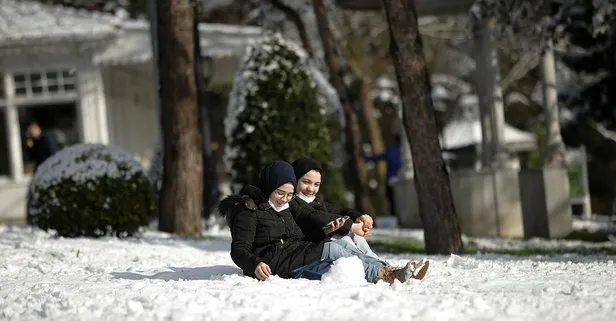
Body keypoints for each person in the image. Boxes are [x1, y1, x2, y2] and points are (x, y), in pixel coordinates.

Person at [219, 160, 429, 284]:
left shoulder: (285, 206)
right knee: (333, 250)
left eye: (289, 194)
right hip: (274, 264)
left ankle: (390, 271)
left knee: (338, 258)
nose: (284, 198)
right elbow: (239, 250)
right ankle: (387, 274)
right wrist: (255, 264)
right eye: (279, 193)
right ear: (268, 186)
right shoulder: (249, 209)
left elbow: (299, 234)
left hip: (295, 256)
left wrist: (327, 230)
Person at [290, 157, 379, 259]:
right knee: (345, 239)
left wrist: (359, 217)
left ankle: (376, 262)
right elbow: (317, 217)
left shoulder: (316, 201)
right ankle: (373, 267)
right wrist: (351, 227)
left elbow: (339, 211)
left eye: (316, 184)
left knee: (353, 236)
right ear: (295, 179)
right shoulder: (291, 202)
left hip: (323, 243)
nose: (311, 189)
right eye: (306, 182)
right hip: (310, 250)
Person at [365, 135, 401, 217]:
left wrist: (367, 157)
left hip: (391, 179)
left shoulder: (391, 151)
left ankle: (394, 215)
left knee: (391, 199)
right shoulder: (405, 151)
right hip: (401, 178)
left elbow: (377, 157)